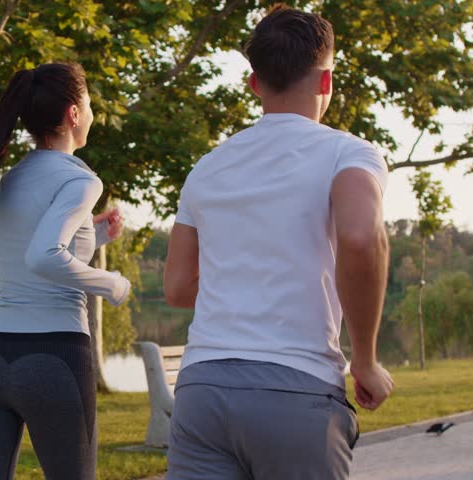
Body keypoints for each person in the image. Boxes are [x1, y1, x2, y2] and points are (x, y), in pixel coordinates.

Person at [163, 5, 394, 479]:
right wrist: (365, 361)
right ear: (326, 81)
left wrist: (245, 268)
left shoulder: (206, 167)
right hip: (296, 391)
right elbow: (360, 237)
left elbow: (178, 287)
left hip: (201, 390)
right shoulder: (349, 153)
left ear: (254, 84)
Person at [0, 63, 131, 480]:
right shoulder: (81, 180)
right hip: (53, 361)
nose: (91, 113)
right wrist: (112, 284)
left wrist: (94, 235)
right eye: (89, 103)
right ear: (74, 114)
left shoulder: (12, 179)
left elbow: (28, 251)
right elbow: (43, 256)